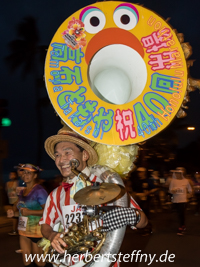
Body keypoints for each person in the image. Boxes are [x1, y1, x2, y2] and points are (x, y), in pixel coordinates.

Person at [40, 126, 148, 261]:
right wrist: (52, 236)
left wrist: (131, 215)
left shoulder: (108, 187)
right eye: (57, 155)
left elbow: (143, 222)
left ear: (84, 155)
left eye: (67, 153)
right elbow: (45, 225)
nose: (61, 160)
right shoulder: (55, 194)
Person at [7, 164, 49, 267]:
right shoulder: (22, 191)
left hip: (37, 232)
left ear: (35, 176)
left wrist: (30, 212)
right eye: (24, 172)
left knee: (40, 262)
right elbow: (21, 211)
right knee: (27, 262)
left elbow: (48, 211)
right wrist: (13, 213)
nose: (25, 175)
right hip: (23, 230)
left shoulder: (40, 191)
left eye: (29, 173)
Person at [169, 169, 193, 235]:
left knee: (181, 213)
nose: (177, 175)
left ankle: (181, 227)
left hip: (183, 200)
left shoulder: (186, 181)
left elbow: (190, 189)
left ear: (181, 174)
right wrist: (172, 191)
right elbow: (170, 190)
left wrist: (189, 194)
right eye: (176, 173)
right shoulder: (173, 181)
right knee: (177, 213)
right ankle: (182, 225)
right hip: (175, 200)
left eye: (179, 173)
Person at [6, 171, 19, 235]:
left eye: (13, 174)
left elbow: (19, 192)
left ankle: (14, 230)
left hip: (16, 201)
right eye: (10, 174)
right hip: (10, 201)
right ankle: (16, 229)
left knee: (14, 215)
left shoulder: (17, 183)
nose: (11, 175)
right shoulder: (7, 183)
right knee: (14, 215)